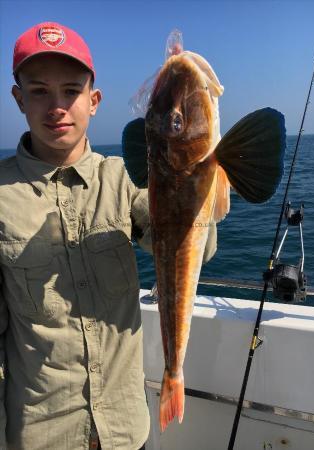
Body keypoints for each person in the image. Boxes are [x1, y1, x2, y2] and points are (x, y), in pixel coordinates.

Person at [0, 22, 217, 450]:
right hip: (43, 435)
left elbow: (195, 248)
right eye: (40, 91)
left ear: (94, 101)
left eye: (71, 91)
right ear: (19, 98)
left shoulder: (126, 180)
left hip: (124, 430)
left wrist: (198, 165)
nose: (57, 106)